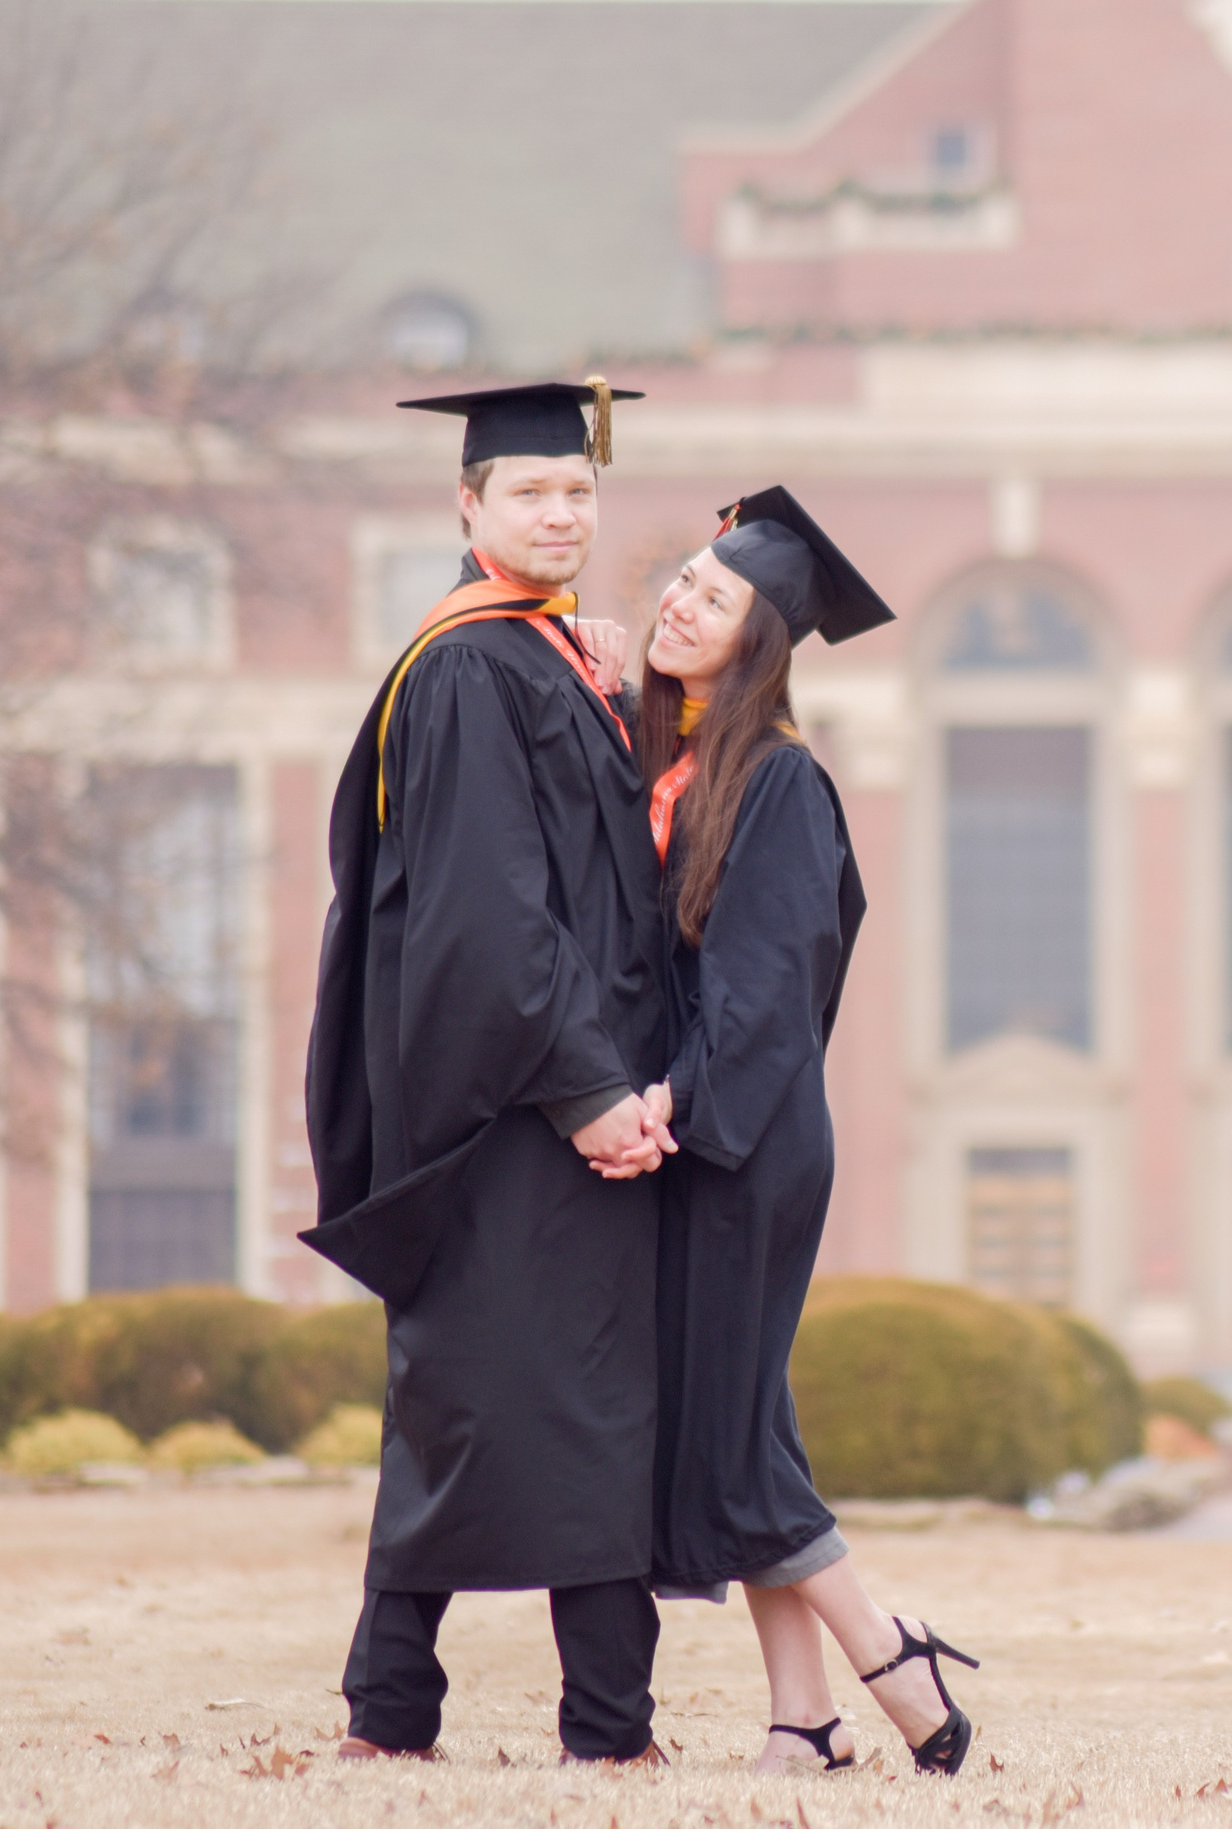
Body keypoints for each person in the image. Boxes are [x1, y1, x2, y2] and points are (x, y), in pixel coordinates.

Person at [300, 378, 679, 1766]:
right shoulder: (469, 667)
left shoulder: (549, 657)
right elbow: (485, 910)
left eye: (579, 490)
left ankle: (453, 1715)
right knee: (518, 1403)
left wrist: (634, 696)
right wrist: (589, 1091)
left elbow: (600, 880)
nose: (563, 511)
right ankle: (538, 1722)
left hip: (567, 1099)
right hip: (515, 1111)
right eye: (531, 490)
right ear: (466, 506)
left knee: (512, 1403)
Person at [639, 487, 982, 1777]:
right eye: (682, 578)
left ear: (759, 643)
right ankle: (803, 1722)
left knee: (727, 1439)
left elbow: (768, 996)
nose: (681, 600)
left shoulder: (781, 786)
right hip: (695, 1136)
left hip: (748, 1141)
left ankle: (899, 1665)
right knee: (748, 1423)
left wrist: (676, 1097)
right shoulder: (672, 765)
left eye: (713, 598)